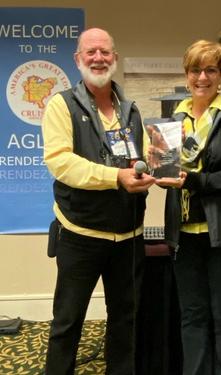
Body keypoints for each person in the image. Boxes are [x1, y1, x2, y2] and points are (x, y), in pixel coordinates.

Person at [42, 27, 155, 375]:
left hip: (129, 238)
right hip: (80, 236)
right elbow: (61, 162)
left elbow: (143, 157)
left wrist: (158, 167)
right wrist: (115, 178)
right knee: (67, 321)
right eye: (90, 52)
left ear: (115, 58)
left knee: (125, 320)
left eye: (105, 52)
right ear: (78, 59)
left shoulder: (131, 110)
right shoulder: (60, 105)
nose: (98, 58)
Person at [155, 39, 221, 375]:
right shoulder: (173, 118)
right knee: (192, 316)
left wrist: (198, 181)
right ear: (186, 74)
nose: (202, 77)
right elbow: (170, 169)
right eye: (195, 70)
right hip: (185, 235)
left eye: (210, 70)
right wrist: (160, 173)